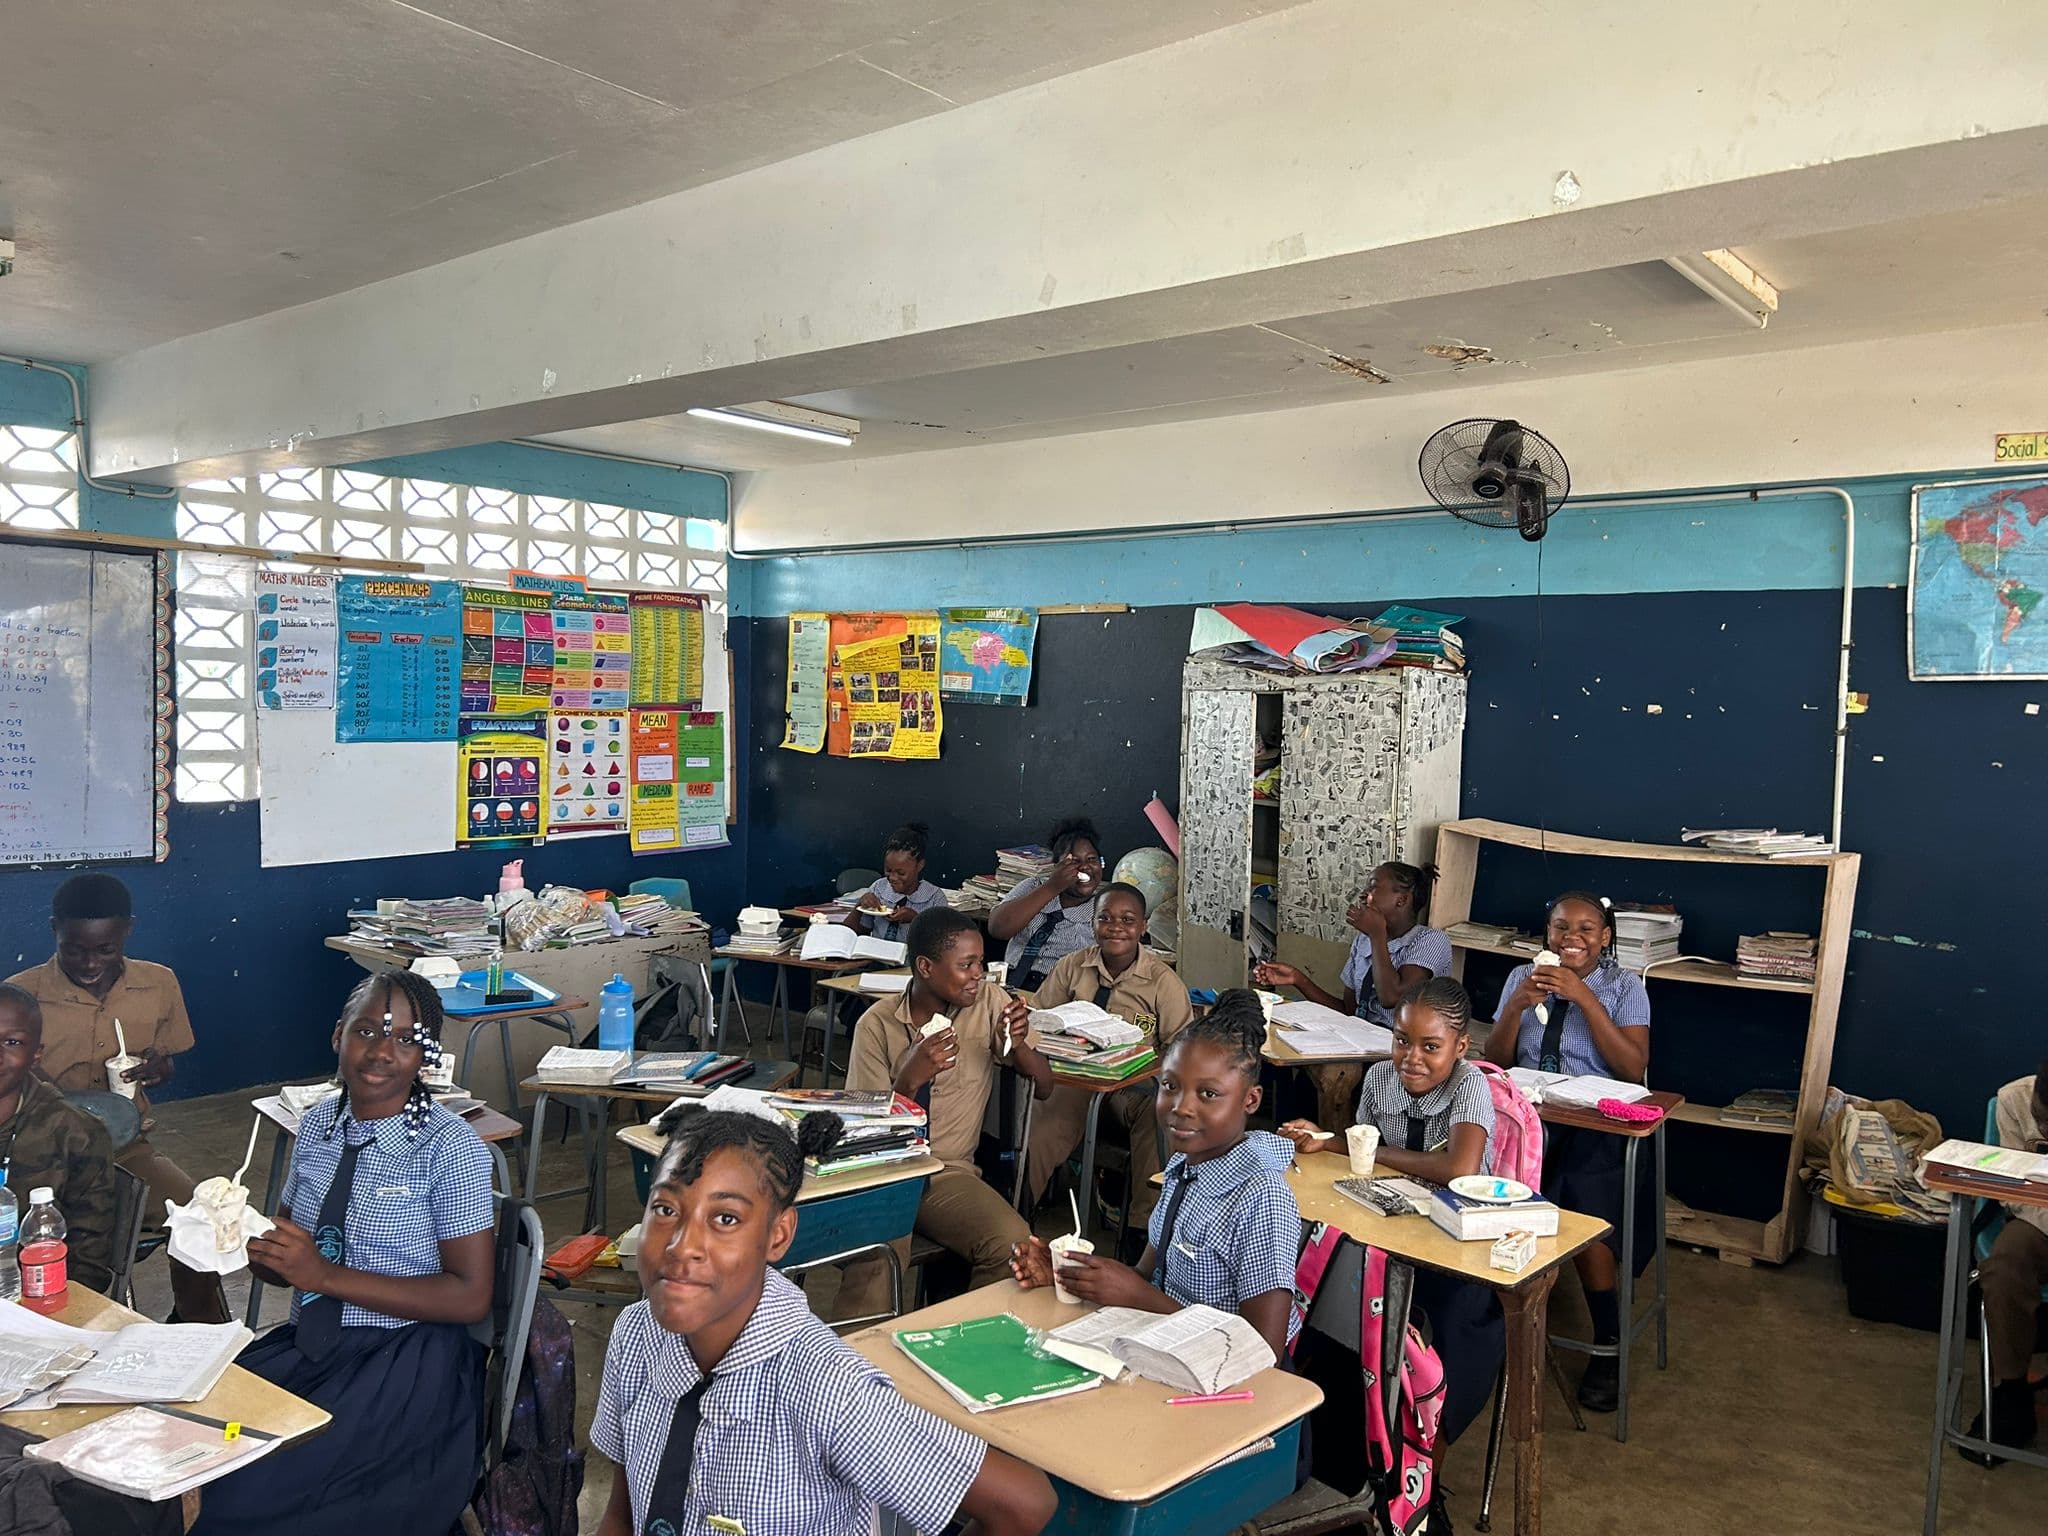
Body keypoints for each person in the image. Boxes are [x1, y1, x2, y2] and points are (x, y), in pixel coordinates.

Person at [592, 1107, 1057, 1536]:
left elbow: (1024, 1503)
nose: (680, 1246)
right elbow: (625, 1509)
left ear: (779, 1235)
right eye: (666, 1209)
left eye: (726, 1218)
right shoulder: (636, 1334)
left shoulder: (824, 1388)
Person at [191, 970, 494, 1536]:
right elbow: (289, 1261)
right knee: (188, 1442)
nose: (382, 1052)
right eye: (366, 1031)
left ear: (427, 1057)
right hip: (311, 1348)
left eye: (407, 1039)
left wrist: (323, 1275)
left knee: (240, 1496)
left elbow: (470, 1297)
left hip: (405, 1362)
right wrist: (252, 1246)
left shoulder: (451, 1150)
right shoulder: (317, 1126)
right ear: (338, 1036)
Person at [1011, 990, 1301, 1360]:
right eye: (1169, 1086)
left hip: (1227, 1386)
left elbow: (1263, 1349)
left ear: (1251, 1100)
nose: (1181, 1108)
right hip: (1164, 1351)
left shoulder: (1262, 1197)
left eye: (1209, 1094)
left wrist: (1140, 1298)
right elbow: (1147, 1276)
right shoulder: (1183, 1168)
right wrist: (1066, 1274)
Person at [1282, 977, 1503, 1447]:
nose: (1412, 1057)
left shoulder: (1471, 1085)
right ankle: (1338, 1428)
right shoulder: (1381, 1077)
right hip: (1389, 1229)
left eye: (1431, 1046)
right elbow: (1359, 1156)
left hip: (1455, 1245)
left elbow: (1457, 1168)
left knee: (1457, 1326)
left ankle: (1427, 1448)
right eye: (1402, 1040)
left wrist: (1368, 1149)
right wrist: (1326, 1140)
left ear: (1460, 1046)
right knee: (1327, 1280)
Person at [6, 873, 229, 1323]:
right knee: (54, 1242)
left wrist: (158, 1068)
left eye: (105, 950)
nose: (90, 963)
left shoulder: (159, 984)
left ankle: (194, 1328)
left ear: (127, 930)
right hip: (40, 1147)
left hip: (125, 1147)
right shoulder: (20, 997)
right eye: (75, 949)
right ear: (56, 931)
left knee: (200, 1223)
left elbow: (167, 1058)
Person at [1481, 890, 1651, 1412]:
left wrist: (1583, 997)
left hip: (1597, 1119)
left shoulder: (1624, 987)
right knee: (1487, 1179)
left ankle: (1606, 1339)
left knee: (1581, 1197)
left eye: (1585, 930)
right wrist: (1514, 1008)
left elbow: (1631, 1068)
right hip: (1530, 1114)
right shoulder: (1521, 977)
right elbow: (1497, 1059)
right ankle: (1490, 1325)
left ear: (1605, 937)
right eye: (1559, 928)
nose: (1570, 939)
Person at [838, 909, 1053, 1318]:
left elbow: (1043, 1087)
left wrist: (1017, 1045)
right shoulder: (877, 1025)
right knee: (877, 1261)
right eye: (967, 965)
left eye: (982, 964)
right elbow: (862, 1132)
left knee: (1014, 1246)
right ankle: (859, 1364)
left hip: (948, 1170)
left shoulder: (991, 1002)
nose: (979, 975)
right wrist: (907, 1080)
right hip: (886, 1172)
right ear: (925, 967)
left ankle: (952, 1340)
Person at [1021, 882, 1192, 1230]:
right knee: (1043, 1116)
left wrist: (1145, 1068)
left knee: (1160, 1114)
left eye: (1128, 920)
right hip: (1076, 1079)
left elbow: (1182, 1049)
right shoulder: (1073, 966)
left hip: (1131, 1090)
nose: (1116, 927)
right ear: (1092, 924)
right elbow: (1037, 1016)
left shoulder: (1163, 982)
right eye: (1106, 918)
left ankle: (1143, 1230)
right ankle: (1018, 1212)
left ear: (1143, 927)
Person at [1256, 860, 1452, 1134]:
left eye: (1373, 888)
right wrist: (1298, 979)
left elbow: (1391, 996)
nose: (1364, 895)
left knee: (1339, 1080)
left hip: (1395, 1049)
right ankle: (1292, 1142)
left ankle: (1335, 1147)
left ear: (1402, 899)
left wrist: (1377, 934)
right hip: (1354, 1041)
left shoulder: (1430, 941)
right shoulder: (1363, 940)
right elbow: (1349, 1010)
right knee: (1297, 1073)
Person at [0, 984, 117, 1292]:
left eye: (12, 1042)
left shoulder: (75, 1134)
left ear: (36, 1054)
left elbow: (88, 1267)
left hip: (32, 1299)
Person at [1963, 1058, 2048, 1464]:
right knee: (2005, 1263)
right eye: (2044, 1121)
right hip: (2035, 1219)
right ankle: (2010, 1394)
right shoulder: (2012, 1101)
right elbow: (2014, 1192)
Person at [987, 817, 1106, 992]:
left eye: (1092, 860)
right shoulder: (1033, 887)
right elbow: (998, 928)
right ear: (1056, 866)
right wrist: (1052, 887)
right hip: (1013, 984)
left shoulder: (1102, 907)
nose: (1085, 867)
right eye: (1073, 861)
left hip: (1063, 992)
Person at [844, 821, 950, 946]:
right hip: (877, 960)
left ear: (919, 866)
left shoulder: (935, 898)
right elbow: (852, 933)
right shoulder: (879, 888)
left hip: (914, 963)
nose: (893, 877)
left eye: (901, 873)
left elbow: (943, 943)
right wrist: (860, 907)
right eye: (888, 870)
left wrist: (916, 919)